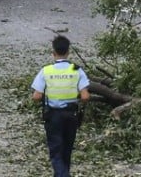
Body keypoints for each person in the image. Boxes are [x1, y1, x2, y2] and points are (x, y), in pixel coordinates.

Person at [31, 35, 91, 177]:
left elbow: (36, 96)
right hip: (71, 115)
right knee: (67, 151)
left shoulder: (46, 71)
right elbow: (85, 96)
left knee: (56, 151)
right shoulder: (77, 70)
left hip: (53, 116)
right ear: (68, 52)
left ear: (53, 53)